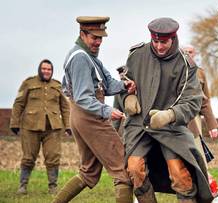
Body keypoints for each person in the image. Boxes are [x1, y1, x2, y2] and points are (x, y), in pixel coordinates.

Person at [121, 17, 213, 203]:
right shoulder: (136, 55)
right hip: (139, 127)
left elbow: (192, 101)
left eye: (163, 42)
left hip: (171, 129)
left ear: (173, 38)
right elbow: (124, 83)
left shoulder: (186, 65)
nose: (159, 46)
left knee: (179, 173)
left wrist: (170, 115)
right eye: (155, 41)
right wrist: (127, 97)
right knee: (134, 169)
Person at [52, 16, 136, 203]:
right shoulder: (80, 58)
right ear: (82, 34)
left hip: (81, 116)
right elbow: (83, 96)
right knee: (123, 170)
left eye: (101, 38)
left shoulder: (88, 56)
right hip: (90, 117)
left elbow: (106, 84)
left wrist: (125, 86)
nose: (98, 42)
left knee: (88, 172)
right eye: (94, 37)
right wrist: (107, 111)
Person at [10, 59, 70, 195]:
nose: (46, 71)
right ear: (39, 69)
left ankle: (53, 187)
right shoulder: (28, 83)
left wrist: (68, 126)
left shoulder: (57, 85)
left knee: (53, 157)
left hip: (53, 129)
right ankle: (22, 186)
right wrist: (14, 123)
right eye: (44, 69)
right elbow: (18, 103)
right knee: (28, 157)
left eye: (49, 69)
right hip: (30, 127)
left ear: (52, 71)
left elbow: (65, 107)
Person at [183, 45, 218, 201]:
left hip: (194, 124)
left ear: (195, 54)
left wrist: (212, 125)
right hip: (170, 123)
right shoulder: (173, 69)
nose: (188, 54)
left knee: (200, 166)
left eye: (190, 52)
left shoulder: (200, 73)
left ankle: (212, 198)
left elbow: (205, 100)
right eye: (185, 52)